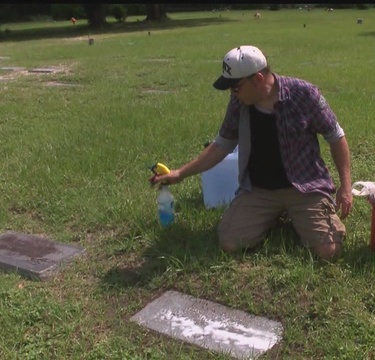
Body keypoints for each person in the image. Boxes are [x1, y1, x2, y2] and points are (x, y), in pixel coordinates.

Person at [149, 45, 352, 260]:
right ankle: (276, 215)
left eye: (235, 87)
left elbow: (336, 137)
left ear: (257, 79)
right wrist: (180, 173)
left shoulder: (304, 94)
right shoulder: (239, 102)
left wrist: (346, 187)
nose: (232, 93)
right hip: (259, 190)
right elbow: (220, 146)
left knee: (327, 251)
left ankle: (298, 215)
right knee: (229, 242)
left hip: (305, 187)